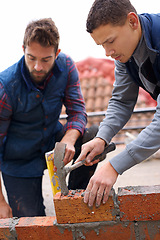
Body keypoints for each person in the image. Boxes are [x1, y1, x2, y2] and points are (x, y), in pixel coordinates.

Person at [0, 18, 98, 218]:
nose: (37, 66)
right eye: (31, 57)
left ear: (57, 54)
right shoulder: (5, 87)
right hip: (18, 161)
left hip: (53, 145)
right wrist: (0, 202)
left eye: (46, 59)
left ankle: (75, 201)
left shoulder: (67, 66)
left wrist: (68, 140)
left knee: (94, 136)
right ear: (23, 49)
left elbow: (77, 111)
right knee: (31, 224)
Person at [76, 0, 160, 208]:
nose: (107, 52)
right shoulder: (125, 56)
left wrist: (114, 166)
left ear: (132, 21)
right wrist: (102, 137)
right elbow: (122, 101)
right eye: (102, 45)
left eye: (110, 41)